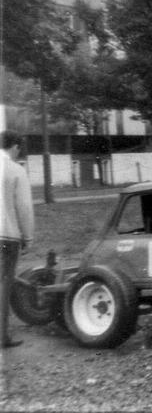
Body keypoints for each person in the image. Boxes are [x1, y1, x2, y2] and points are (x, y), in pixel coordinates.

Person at [1, 131, 34, 348]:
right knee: (4, 285)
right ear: (14, 147)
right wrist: (28, 237)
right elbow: (24, 207)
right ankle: (2, 335)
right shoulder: (15, 170)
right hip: (6, 236)